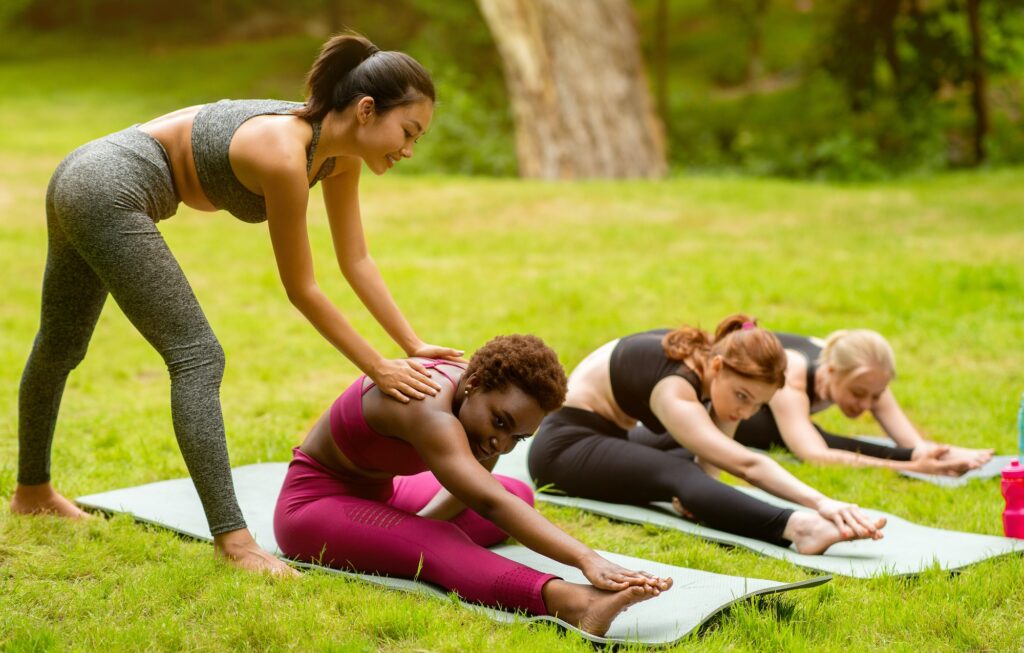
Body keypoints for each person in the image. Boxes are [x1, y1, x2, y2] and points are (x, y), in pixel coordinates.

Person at [13, 33, 463, 575]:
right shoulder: (283, 154)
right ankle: (234, 540)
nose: (409, 149)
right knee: (198, 355)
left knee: (59, 345)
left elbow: (355, 260)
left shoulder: (337, 157)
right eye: (407, 131)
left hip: (84, 175)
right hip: (107, 186)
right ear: (367, 110)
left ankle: (32, 492)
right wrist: (378, 367)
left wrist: (410, 344)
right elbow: (302, 288)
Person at [273, 335, 672, 636]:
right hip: (311, 507)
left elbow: (490, 492)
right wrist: (589, 559)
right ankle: (569, 602)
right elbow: (486, 501)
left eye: (518, 437)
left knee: (518, 494)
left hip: (384, 493)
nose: (501, 443)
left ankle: (402, 534)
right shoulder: (426, 406)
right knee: (442, 537)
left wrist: (410, 525)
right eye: (500, 422)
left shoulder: (476, 398)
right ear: (474, 382)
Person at [528, 316, 887, 555]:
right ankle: (798, 529)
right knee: (681, 475)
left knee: (695, 466)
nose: (745, 412)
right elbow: (745, 463)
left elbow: (718, 453)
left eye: (756, 405)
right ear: (717, 368)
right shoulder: (674, 387)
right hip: (563, 449)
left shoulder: (714, 361)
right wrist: (821, 502)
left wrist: (705, 494)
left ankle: (708, 497)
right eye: (742, 397)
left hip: (612, 436)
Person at [730, 330, 993, 474]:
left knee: (808, 435)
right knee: (793, 437)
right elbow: (815, 455)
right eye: (857, 394)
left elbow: (912, 443)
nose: (867, 404)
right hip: (725, 406)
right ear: (831, 372)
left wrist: (931, 452)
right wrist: (912, 466)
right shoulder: (793, 376)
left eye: (876, 396)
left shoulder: (867, 372)